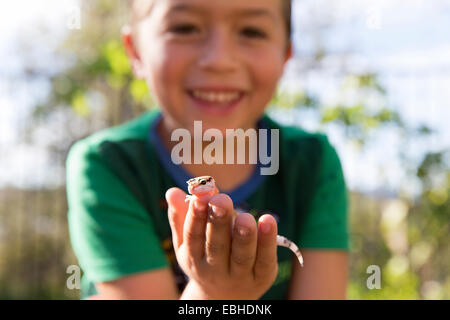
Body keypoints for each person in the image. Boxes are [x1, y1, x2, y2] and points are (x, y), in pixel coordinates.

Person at [66, 0, 349, 300]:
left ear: (285, 55)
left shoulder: (312, 162)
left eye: (252, 31)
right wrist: (213, 292)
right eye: (184, 28)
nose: (219, 60)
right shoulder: (108, 164)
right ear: (135, 50)